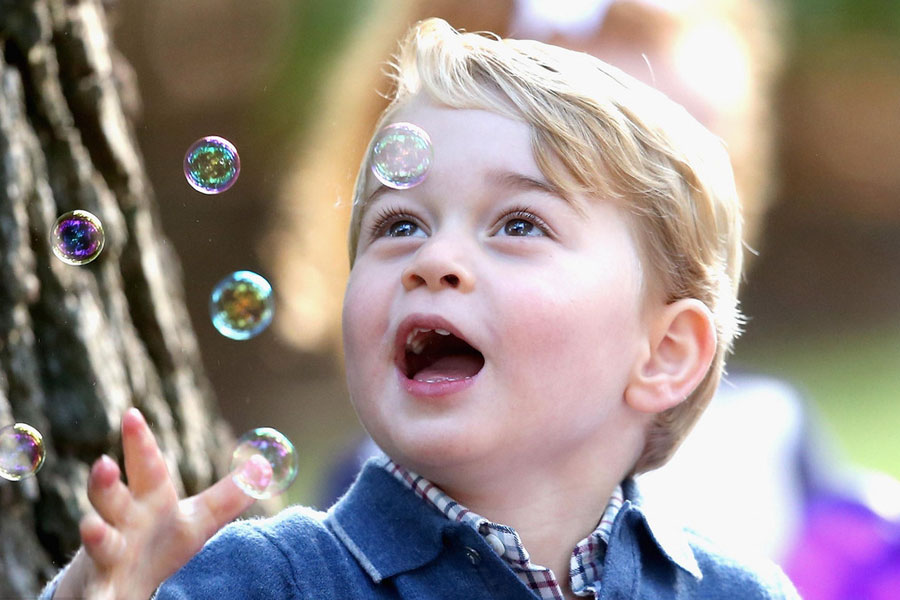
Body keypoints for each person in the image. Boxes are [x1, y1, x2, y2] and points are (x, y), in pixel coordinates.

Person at [41, 18, 799, 599]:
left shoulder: (737, 590)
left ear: (663, 353)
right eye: (399, 226)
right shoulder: (264, 581)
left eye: (518, 225)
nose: (433, 260)